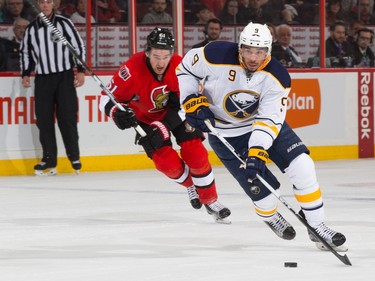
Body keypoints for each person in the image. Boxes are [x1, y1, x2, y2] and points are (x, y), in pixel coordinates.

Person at [176, 22, 347, 250]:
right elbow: (185, 68)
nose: (253, 57)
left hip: (262, 126)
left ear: (268, 50)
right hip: (226, 134)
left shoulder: (277, 76)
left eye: (259, 52)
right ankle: (270, 216)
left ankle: (318, 227)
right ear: (240, 47)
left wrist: (257, 150)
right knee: (263, 192)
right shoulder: (214, 54)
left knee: (303, 166)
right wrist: (189, 100)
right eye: (248, 50)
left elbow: (269, 119)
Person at [98, 27, 231, 222]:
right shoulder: (131, 69)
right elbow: (105, 99)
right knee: (166, 163)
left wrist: (163, 126)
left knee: (196, 152)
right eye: (156, 56)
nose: (161, 62)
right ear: (147, 53)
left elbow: (185, 104)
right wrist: (117, 112)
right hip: (144, 120)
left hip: (175, 113)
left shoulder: (180, 66)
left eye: (165, 56)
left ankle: (210, 200)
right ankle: (191, 186)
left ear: (172, 54)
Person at [20, 0, 86, 175]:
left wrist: (80, 70)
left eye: (48, 2)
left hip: (64, 77)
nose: (45, 5)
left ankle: (74, 156)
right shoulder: (31, 28)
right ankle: (49, 159)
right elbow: (26, 52)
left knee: (67, 117)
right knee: (44, 120)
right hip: (42, 79)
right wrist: (25, 73)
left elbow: (78, 46)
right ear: (38, 5)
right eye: (41, 2)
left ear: (54, 4)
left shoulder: (64, 23)